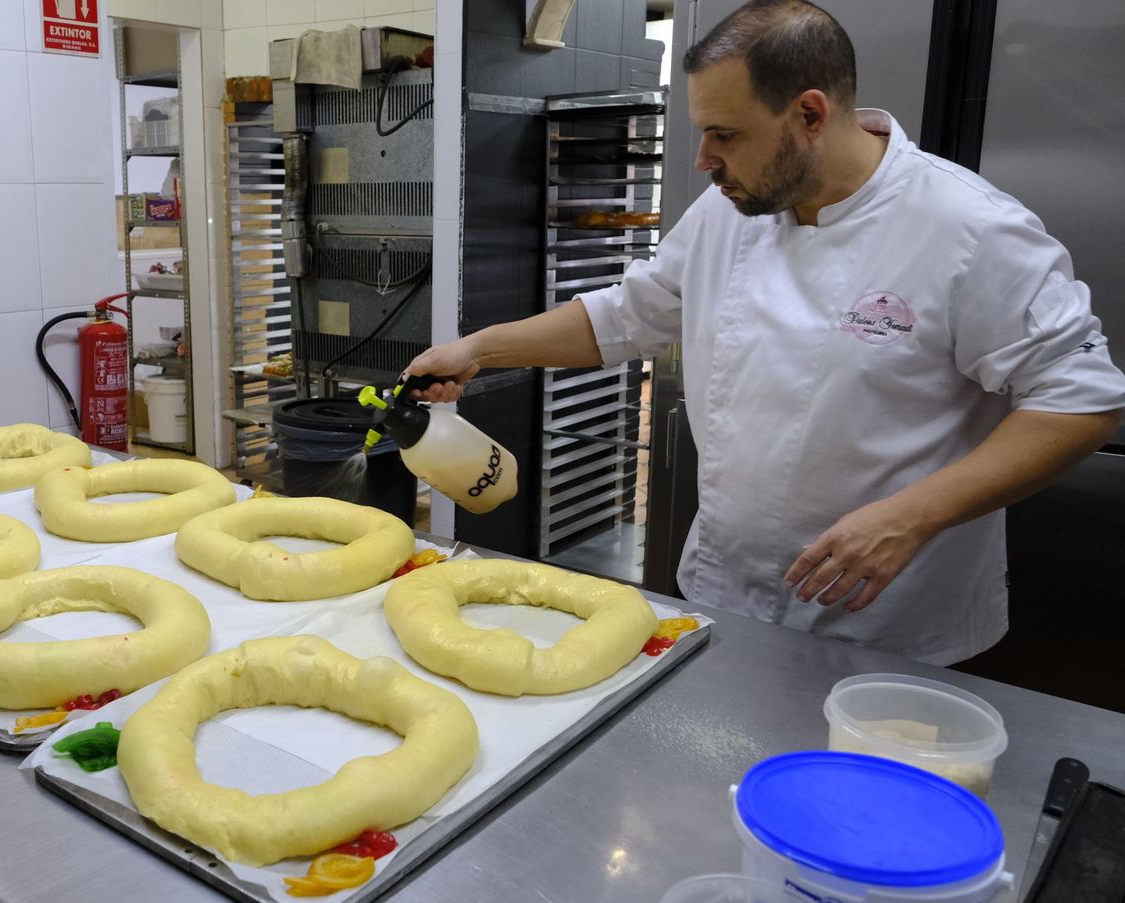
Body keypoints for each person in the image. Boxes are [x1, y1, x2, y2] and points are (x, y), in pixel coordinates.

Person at [402, 0, 1125, 664]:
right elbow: (630, 313)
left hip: (887, 625)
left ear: (810, 114)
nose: (702, 160)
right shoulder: (730, 211)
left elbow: (1082, 402)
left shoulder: (968, 229)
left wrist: (911, 516)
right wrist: (479, 348)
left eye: (725, 134)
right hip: (726, 595)